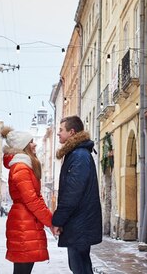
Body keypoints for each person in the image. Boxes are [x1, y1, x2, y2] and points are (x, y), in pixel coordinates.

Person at [52, 116, 102, 274]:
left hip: (79, 223)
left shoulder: (79, 156)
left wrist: (58, 220)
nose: (58, 134)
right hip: (79, 222)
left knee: (79, 267)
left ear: (72, 132)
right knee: (80, 266)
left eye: (61, 130)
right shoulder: (76, 154)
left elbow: (72, 193)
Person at [2, 126, 54, 274]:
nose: (35, 144)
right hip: (23, 223)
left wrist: (49, 220)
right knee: (22, 270)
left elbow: (36, 197)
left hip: (26, 221)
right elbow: (32, 200)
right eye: (31, 142)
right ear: (23, 147)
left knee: (23, 269)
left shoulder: (25, 166)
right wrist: (50, 221)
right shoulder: (21, 168)